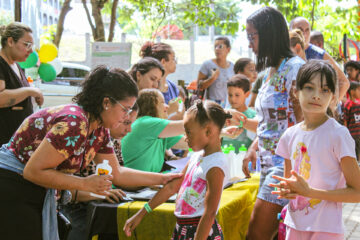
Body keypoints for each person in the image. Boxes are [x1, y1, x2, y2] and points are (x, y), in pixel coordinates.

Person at [0, 66, 181, 240]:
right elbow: (32, 171)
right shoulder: (75, 123)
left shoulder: (99, 128)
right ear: (106, 102)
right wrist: (84, 184)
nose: (127, 118)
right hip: (13, 187)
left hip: (31, 189)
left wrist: (162, 179)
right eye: (125, 110)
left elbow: (117, 173)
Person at [270, 59, 360, 239]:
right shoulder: (289, 135)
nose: (316, 95)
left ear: (333, 97)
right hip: (294, 225)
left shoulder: (339, 135)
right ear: (296, 91)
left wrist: (310, 192)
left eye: (325, 90)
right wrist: (287, 189)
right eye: (310, 87)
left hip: (326, 230)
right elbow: (291, 183)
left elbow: (357, 193)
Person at [123, 100, 232, 239]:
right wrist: (141, 213)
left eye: (189, 132)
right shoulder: (197, 156)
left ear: (208, 131)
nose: (185, 138)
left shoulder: (215, 166)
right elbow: (172, 187)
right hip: (184, 228)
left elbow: (209, 213)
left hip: (201, 232)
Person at [243, 7, 305, 239]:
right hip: (267, 165)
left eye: (252, 36)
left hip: (285, 168)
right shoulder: (271, 71)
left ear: (269, 33)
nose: (250, 44)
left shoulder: (296, 69)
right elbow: (273, 123)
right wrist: (253, 147)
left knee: (255, 235)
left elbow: (305, 125)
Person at [61, 105, 139, 240]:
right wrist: (97, 194)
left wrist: (158, 181)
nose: (129, 129)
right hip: (72, 206)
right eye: (125, 122)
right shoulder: (83, 134)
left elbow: (119, 175)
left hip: (93, 203)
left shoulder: (113, 141)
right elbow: (65, 190)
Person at [121, 88, 187, 172]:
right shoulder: (145, 123)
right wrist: (185, 114)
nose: (167, 106)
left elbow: (187, 143)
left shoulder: (157, 129)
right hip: (136, 184)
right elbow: (187, 126)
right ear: (151, 105)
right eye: (163, 102)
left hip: (147, 182)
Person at [0, 22, 44, 145]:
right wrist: (30, 91)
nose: (30, 51)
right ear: (10, 41)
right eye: (27, 45)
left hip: (17, 142)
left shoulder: (16, 65)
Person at [290, 16, 349, 100]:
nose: (304, 34)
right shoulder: (284, 53)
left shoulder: (319, 54)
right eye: (300, 29)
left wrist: (330, 107)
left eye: (307, 30)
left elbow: (344, 82)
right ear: (290, 30)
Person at [139, 42, 181, 119]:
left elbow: (180, 104)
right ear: (163, 62)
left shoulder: (173, 87)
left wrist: (181, 104)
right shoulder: (148, 90)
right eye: (173, 59)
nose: (176, 62)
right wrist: (169, 111)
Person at [197, 37, 235, 107]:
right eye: (215, 47)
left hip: (228, 104)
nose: (217, 49)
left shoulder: (233, 67)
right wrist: (213, 78)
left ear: (228, 49)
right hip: (211, 105)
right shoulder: (207, 64)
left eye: (220, 46)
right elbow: (199, 86)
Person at [223, 74, 257, 150]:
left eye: (237, 95)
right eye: (230, 95)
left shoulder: (254, 116)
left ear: (247, 94)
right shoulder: (223, 114)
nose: (233, 99)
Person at [343, 81, 360, 161]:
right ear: (352, 91)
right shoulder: (348, 105)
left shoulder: (359, 104)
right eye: (358, 90)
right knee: (355, 153)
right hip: (353, 135)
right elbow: (345, 120)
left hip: (359, 133)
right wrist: (347, 135)